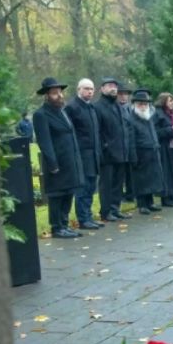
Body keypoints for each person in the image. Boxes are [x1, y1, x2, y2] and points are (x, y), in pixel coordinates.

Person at [33, 77, 84, 239]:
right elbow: (45, 141)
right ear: (46, 96)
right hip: (56, 163)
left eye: (60, 92)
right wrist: (52, 164)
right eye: (55, 93)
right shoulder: (41, 115)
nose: (59, 96)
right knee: (57, 196)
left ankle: (64, 224)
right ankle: (57, 227)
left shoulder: (62, 111)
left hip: (70, 162)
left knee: (68, 193)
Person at [63, 78, 103, 230]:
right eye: (86, 88)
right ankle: (83, 218)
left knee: (91, 187)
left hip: (93, 154)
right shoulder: (72, 108)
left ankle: (88, 216)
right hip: (81, 154)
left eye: (92, 89)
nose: (89, 92)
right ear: (78, 90)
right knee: (83, 187)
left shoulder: (91, 108)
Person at [93, 77, 133, 222]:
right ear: (102, 89)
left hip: (121, 150)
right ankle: (106, 211)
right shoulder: (97, 107)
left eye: (115, 86)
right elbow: (97, 131)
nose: (113, 88)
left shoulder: (117, 106)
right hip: (107, 152)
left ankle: (115, 208)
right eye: (109, 85)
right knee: (106, 184)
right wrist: (103, 147)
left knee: (118, 183)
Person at [128, 89, 164, 214]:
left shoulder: (148, 117)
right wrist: (133, 156)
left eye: (145, 104)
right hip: (140, 153)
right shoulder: (132, 119)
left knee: (151, 179)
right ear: (135, 104)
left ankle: (150, 202)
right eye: (140, 104)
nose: (143, 106)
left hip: (152, 151)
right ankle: (142, 204)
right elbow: (131, 140)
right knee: (141, 180)